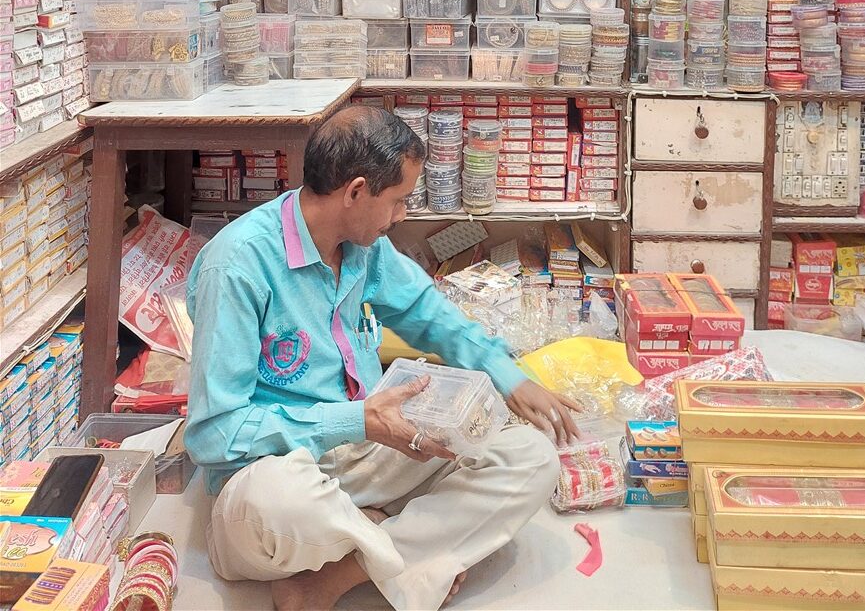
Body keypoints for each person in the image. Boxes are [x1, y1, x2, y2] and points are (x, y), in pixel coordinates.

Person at [185, 105, 579, 611]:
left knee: (528, 458)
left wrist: (508, 376)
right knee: (281, 505)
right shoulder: (237, 266)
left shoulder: (362, 245)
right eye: (399, 200)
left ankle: (341, 570)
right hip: (277, 468)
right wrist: (356, 420)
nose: (403, 215)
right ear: (355, 192)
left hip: (364, 449)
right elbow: (214, 435)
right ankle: (412, 551)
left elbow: (426, 310)